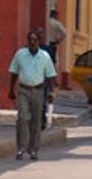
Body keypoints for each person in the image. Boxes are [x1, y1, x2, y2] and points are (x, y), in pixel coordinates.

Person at [8, 30, 57, 159]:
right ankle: (21, 148)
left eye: (34, 40)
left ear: (39, 41)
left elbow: (50, 75)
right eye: (30, 39)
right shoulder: (20, 54)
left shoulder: (45, 57)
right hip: (23, 90)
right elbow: (14, 73)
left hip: (38, 91)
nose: (32, 42)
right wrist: (11, 89)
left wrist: (52, 91)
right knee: (22, 117)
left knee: (36, 120)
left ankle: (33, 149)